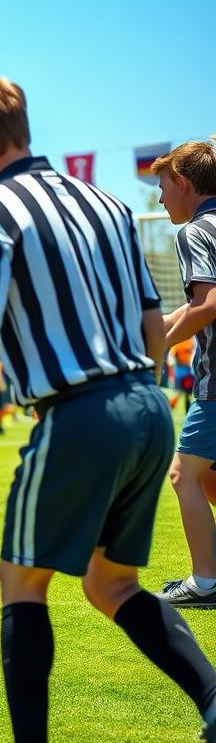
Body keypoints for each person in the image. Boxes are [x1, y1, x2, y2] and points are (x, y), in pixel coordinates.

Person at [0, 68, 216, 743]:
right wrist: (137, 400)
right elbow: (155, 325)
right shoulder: (110, 204)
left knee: (23, 580)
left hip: (78, 411)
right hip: (149, 403)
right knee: (112, 584)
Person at [154, 138, 216, 608]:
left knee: (183, 475)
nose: (159, 198)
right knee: (209, 478)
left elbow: (209, 305)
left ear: (183, 181)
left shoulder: (195, 231)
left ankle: (206, 582)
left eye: (162, 185)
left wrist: (158, 343)